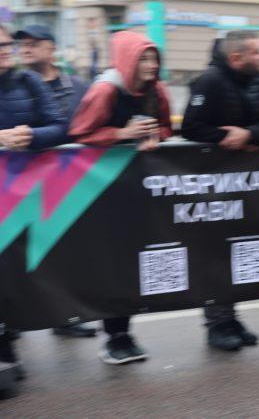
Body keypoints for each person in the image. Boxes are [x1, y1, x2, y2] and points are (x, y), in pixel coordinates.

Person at [69, 31, 172, 364]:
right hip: (102, 190)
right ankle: (112, 336)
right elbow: (80, 132)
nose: (151, 64)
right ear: (127, 59)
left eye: (154, 57)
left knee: (133, 262)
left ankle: (124, 333)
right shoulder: (104, 90)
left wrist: (157, 137)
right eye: (143, 58)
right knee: (111, 263)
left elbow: (169, 127)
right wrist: (122, 134)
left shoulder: (158, 90)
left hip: (140, 188)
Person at [181, 31, 259, 351]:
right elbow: (190, 127)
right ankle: (216, 323)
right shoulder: (209, 81)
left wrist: (249, 134)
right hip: (213, 182)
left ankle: (231, 316)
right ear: (236, 57)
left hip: (248, 181)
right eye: (257, 53)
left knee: (241, 248)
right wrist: (225, 139)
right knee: (214, 250)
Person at [13, 24, 96, 339]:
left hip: (66, 183)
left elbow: (91, 126)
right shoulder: (13, 86)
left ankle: (64, 317)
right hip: (19, 183)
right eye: (22, 44)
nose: (26, 49)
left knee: (64, 251)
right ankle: (15, 319)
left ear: (52, 48)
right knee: (19, 252)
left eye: (34, 43)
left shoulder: (77, 87)